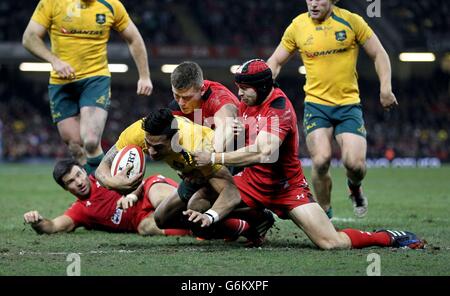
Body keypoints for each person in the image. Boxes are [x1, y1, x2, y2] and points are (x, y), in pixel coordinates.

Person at [193, 59, 425, 250]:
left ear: (262, 87)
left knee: (331, 243)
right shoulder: (247, 102)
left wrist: (214, 158)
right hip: (252, 182)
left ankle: (387, 237)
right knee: (198, 205)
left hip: (286, 188)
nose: (239, 93)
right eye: (238, 87)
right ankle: (255, 223)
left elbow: (262, 151)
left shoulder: (279, 108)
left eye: (244, 88)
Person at [266, 0, 398, 218]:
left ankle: (355, 188)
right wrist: (264, 82)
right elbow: (276, 61)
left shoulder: (351, 21)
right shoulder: (298, 26)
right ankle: (326, 215)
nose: (313, 3)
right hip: (316, 106)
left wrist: (386, 88)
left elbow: (379, 53)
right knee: (320, 160)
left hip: (348, 106)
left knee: (354, 164)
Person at [95, 109, 273, 245]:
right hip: (193, 173)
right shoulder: (139, 132)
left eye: (158, 147)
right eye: (148, 144)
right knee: (161, 219)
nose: (151, 152)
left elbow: (230, 193)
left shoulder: (195, 145)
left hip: (222, 167)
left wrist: (210, 216)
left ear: (176, 138)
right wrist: (113, 182)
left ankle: (256, 217)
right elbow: (102, 168)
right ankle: (225, 225)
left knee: (198, 210)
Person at [22, 0, 153, 174]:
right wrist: (54, 61)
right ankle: (94, 194)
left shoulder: (111, 5)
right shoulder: (52, 3)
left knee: (91, 141)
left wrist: (144, 76)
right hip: (61, 82)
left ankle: (108, 190)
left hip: (95, 79)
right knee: (76, 144)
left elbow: (134, 38)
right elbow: (29, 37)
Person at [23, 159, 189, 236]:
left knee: (161, 200)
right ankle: (199, 228)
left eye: (79, 175)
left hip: (147, 190)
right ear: (66, 189)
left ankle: (202, 206)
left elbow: (138, 179)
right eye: (71, 182)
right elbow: (52, 226)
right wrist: (37, 222)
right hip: (141, 219)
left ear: (83, 170)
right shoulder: (80, 211)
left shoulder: (104, 175)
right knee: (146, 228)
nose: (79, 182)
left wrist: (132, 194)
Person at [168, 61, 239, 153]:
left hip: (237, 150)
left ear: (202, 90)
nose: (181, 103)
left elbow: (226, 130)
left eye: (187, 97)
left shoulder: (219, 99)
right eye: (177, 95)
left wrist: (205, 155)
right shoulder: (175, 107)